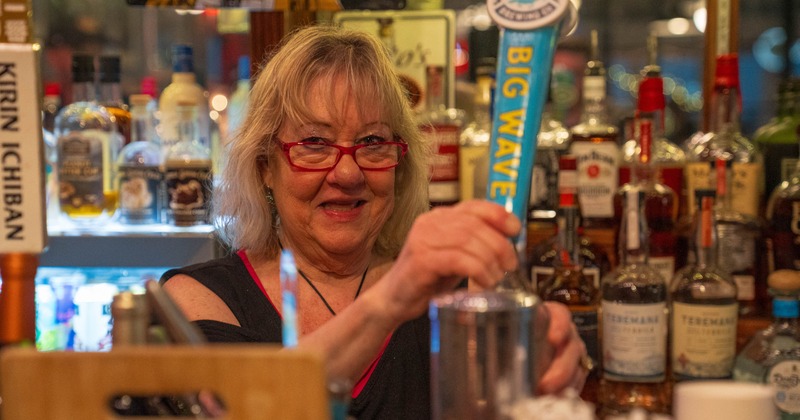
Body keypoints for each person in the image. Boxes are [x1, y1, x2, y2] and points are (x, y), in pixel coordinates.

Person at [161, 24, 589, 418]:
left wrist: (549, 362)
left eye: (372, 142)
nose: (347, 174)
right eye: (314, 143)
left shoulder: (454, 298)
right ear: (265, 167)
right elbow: (236, 408)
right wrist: (390, 301)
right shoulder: (197, 297)